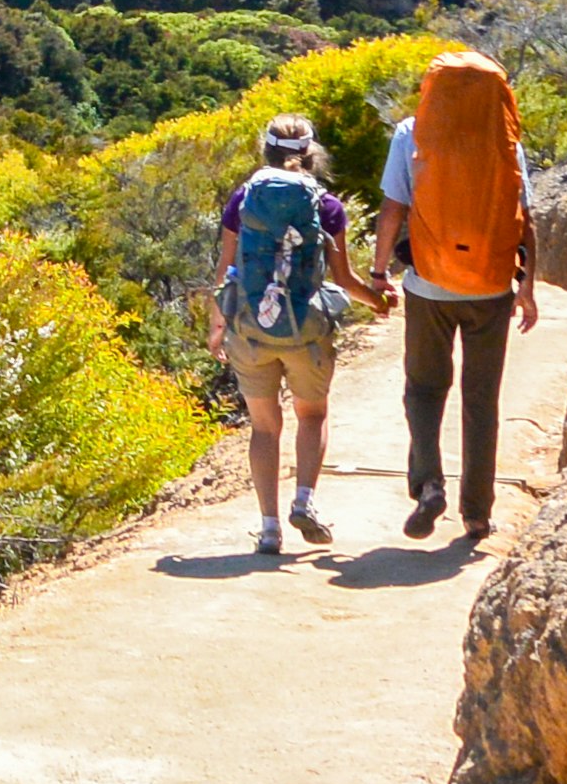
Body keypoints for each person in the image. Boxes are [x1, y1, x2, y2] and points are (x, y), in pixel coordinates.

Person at [206, 111, 393, 556]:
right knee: (312, 415)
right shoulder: (327, 206)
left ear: (265, 150)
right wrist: (380, 302)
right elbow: (344, 280)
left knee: (264, 427)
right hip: (305, 329)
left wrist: (217, 325)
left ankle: (269, 529)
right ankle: (304, 501)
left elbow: (226, 268)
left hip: (251, 326)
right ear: (311, 155)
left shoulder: (243, 199)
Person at [373, 49, 539, 541]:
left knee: (424, 388)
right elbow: (524, 215)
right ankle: (477, 512)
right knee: (481, 398)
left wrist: (380, 272)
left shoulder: (411, 134)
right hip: (491, 284)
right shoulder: (506, 139)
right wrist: (526, 286)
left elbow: (392, 210)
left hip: (429, 284)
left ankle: (429, 485)